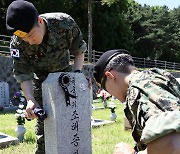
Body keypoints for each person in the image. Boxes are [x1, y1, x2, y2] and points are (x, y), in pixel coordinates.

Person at [6, 1, 87, 153]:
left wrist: (77, 76)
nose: (30, 42)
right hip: (41, 83)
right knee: (44, 131)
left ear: (40, 21)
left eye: (31, 35)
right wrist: (31, 100)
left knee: (71, 122)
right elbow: (22, 74)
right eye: (25, 39)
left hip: (66, 78)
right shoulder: (17, 42)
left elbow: (79, 50)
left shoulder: (64, 23)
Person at [93, 49, 180, 154]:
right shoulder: (156, 76)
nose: (110, 93)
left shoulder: (140, 88)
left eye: (105, 88)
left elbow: (172, 145)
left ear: (110, 76)